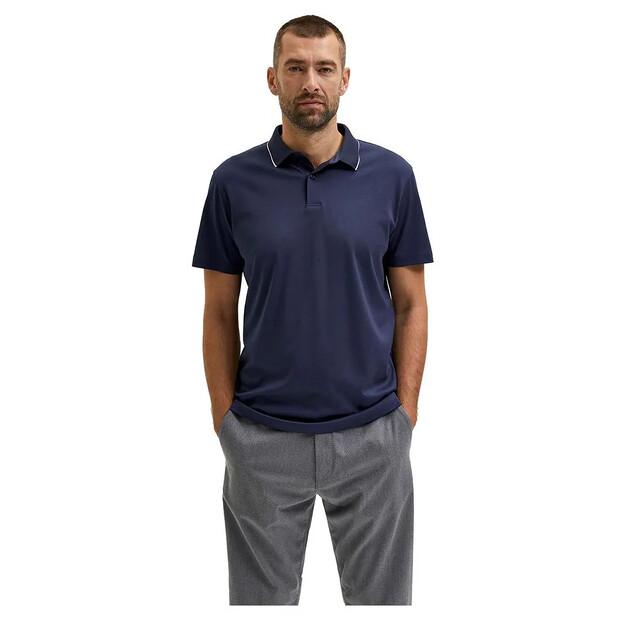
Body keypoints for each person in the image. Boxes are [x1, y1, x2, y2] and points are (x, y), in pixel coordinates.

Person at [192, 14, 434, 605]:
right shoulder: (232, 182)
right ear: (272, 79)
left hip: (373, 434)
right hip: (261, 437)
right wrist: (226, 420)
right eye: (296, 68)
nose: (311, 82)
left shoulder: (393, 177)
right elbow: (219, 310)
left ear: (345, 79)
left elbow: (412, 303)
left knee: (383, 607)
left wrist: (404, 414)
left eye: (325, 69)